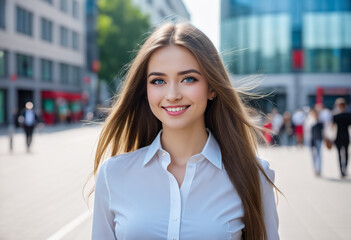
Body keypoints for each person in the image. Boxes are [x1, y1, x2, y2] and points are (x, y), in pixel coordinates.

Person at [91, 22, 280, 240]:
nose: (172, 94)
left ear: (212, 88)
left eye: (188, 79)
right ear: (146, 91)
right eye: (158, 80)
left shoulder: (255, 176)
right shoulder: (113, 175)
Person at [333, 98, 351, 178]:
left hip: (338, 136)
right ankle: (344, 169)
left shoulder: (335, 116)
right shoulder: (348, 115)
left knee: (340, 154)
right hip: (345, 136)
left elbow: (332, 127)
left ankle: (342, 170)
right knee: (345, 153)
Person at [307, 107, 324, 176]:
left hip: (318, 139)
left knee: (319, 155)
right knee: (313, 155)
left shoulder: (320, 121)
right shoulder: (309, 120)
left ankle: (319, 169)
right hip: (310, 139)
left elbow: (323, 131)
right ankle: (315, 169)